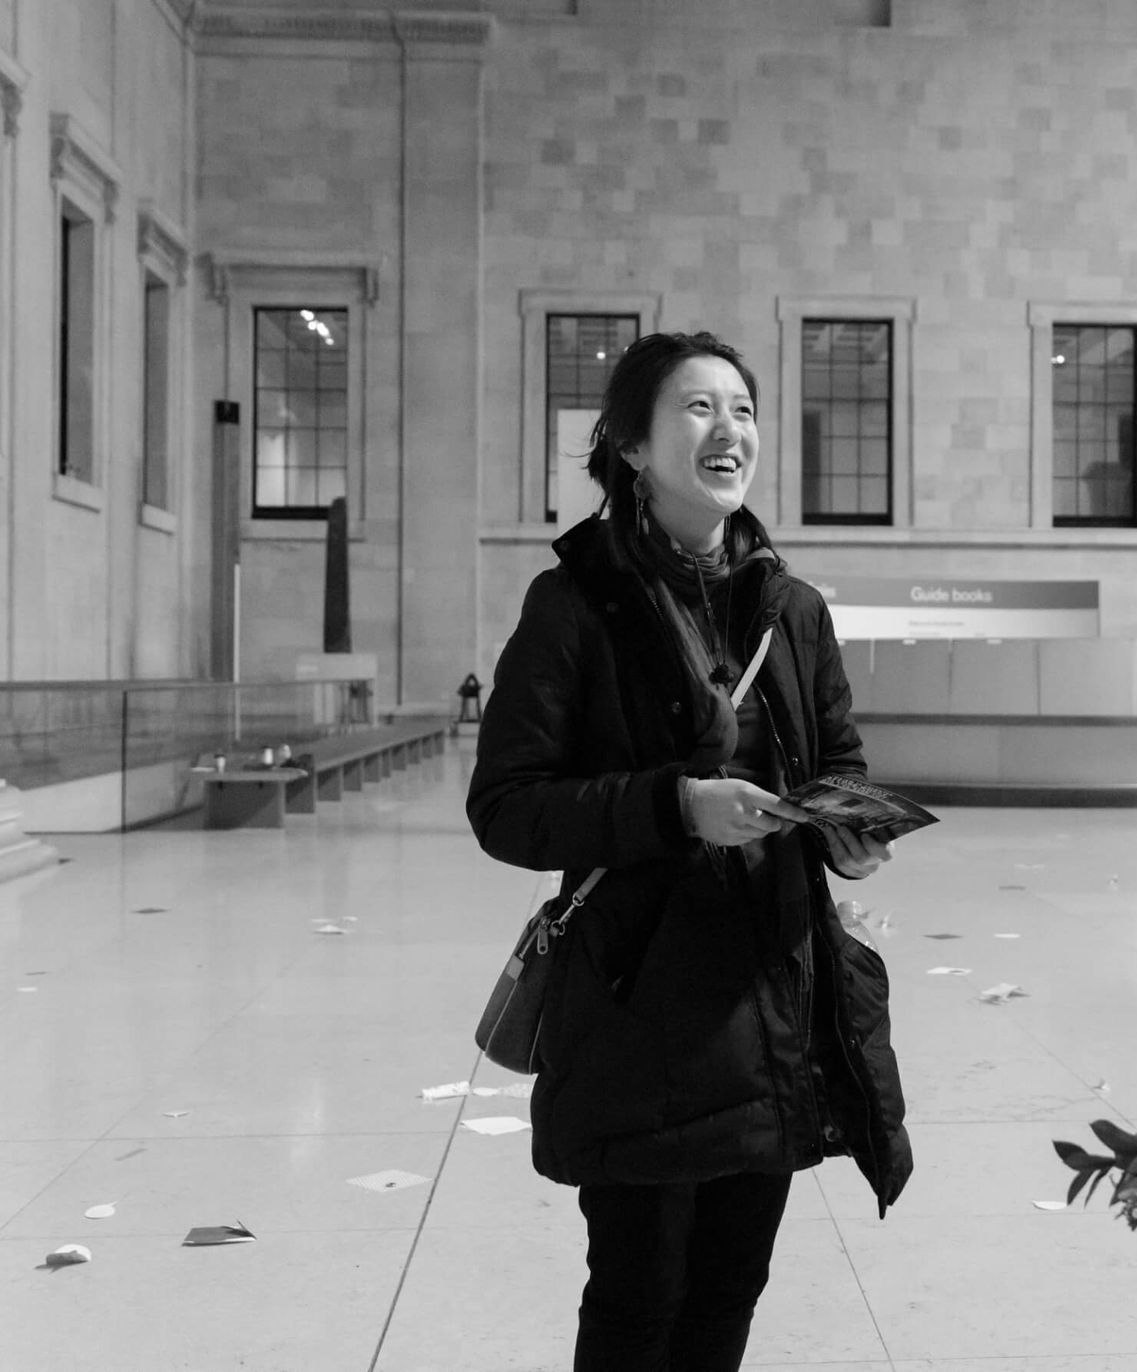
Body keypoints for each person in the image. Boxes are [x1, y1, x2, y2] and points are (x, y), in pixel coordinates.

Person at [467, 330, 913, 1371]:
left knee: (728, 1292)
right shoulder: (576, 605)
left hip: (773, 997)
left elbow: (835, 754)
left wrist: (847, 830)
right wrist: (676, 805)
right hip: (638, 1010)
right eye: (700, 408)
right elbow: (509, 805)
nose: (731, 430)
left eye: (745, 410)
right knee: (637, 1297)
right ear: (631, 443)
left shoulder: (792, 610)